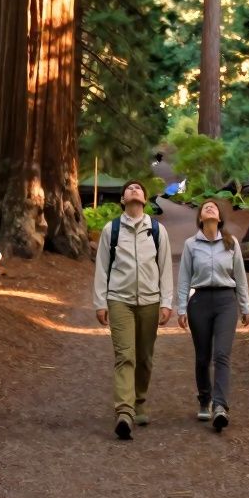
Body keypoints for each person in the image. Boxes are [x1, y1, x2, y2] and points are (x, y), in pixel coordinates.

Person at [93, 179, 173, 440]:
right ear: (123, 200)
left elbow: (166, 270)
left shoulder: (157, 230)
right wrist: (100, 302)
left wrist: (166, 302)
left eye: (139, 188)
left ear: (145, 199)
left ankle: (139, 400)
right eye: (130, 189)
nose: (135, 190)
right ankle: (124, 412)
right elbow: (102, 268)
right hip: (119, 300)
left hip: (150, 301)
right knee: (125, 355)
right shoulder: (111, 230)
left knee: (145, 357)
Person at [176, 198, 249, 430]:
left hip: (226, 302)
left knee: (221, 355)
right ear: (200, 218)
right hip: (199, 303)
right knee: (202, 357)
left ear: (219, 218)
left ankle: (220, 406)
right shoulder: (191, 244)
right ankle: (205, 399)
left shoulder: (231, 243)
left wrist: (245, 306)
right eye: (205, 207)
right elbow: (184, 278)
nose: (209, 208)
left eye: (214, 207)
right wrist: (180, 307)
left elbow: (240, 276)